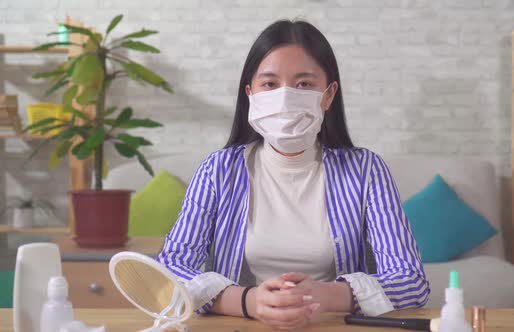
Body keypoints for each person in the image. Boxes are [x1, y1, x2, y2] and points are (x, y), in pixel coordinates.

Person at [157, 19, 429, 331]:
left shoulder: (366, 170)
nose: (285, 98)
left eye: (303, 84)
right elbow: (171, 269)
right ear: (251, 95)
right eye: (270, 84)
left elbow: (411, 281)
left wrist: (327, 295)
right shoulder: (218, 170)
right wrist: (249, 301)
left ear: (328, 95)